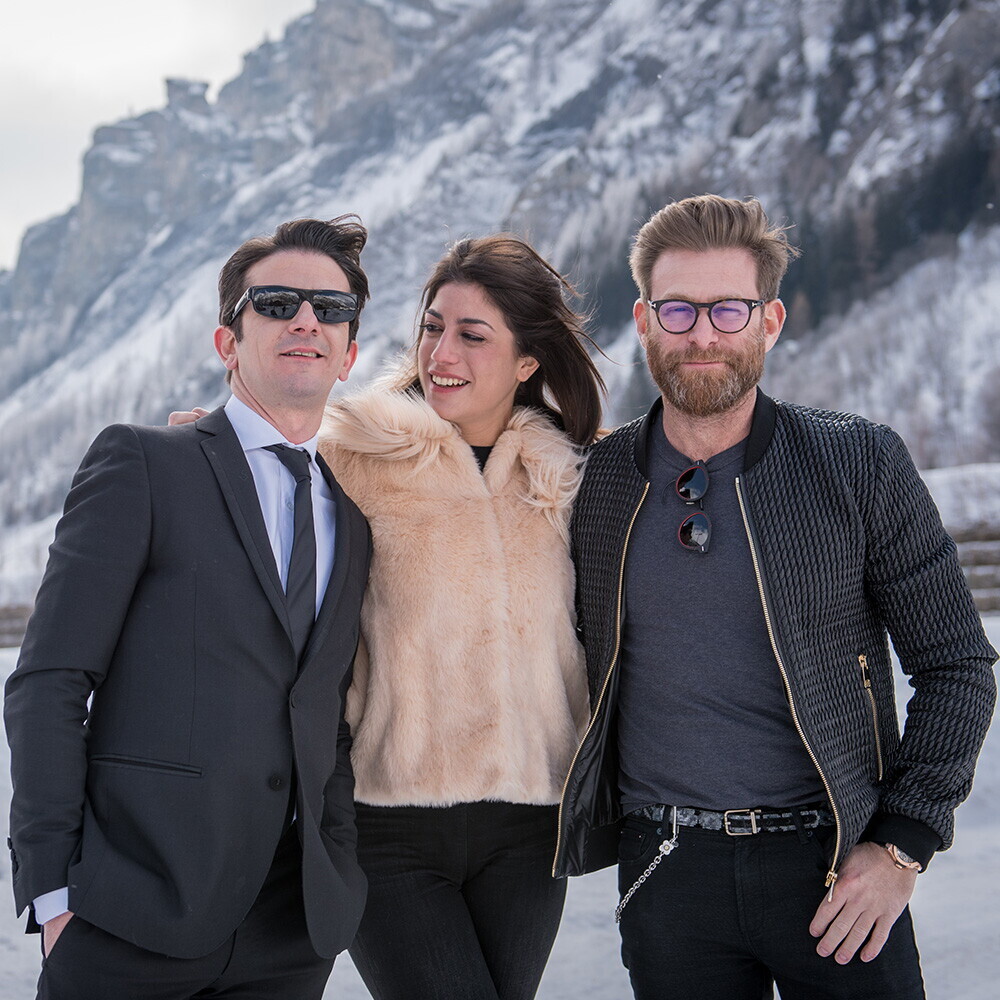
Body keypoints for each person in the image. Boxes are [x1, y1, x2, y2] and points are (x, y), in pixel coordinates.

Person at [553, 194, 998, 999]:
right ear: (644, 321)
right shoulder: (596, 482)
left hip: (834, 865)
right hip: (667, 872)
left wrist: (902, 845)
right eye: (678, 309)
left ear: (770, 321)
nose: (703, 334)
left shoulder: (856, 462)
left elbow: (957, 664)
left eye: (729, 308)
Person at [4, 216, 374, 999]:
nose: (306, 320)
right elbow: (49, 681)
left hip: (289, 935)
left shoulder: (355, 522)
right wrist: (53, 892)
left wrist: (336, 860)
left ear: (349, 355)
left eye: (331, 309)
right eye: (276, 303)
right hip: (127, 917)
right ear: (227, 343)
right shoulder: (143, 464)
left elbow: (324, 715)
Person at [322, 234, 602, 999]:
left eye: (472, 335)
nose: (441, 352)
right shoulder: (353, 457)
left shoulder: (566, 477)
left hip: (530, 827)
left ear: (527, 361)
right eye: (432, 326)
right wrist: (205, 453)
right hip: (387, 824)